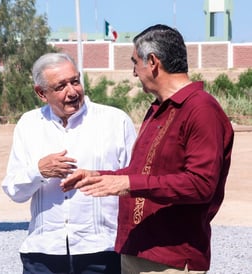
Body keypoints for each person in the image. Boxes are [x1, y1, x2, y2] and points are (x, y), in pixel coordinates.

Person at [61, 24, 234, 273]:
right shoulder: (157, 109)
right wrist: (99, 177)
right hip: (138, 250)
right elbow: (141, 173)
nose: (134, 73)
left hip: (171, 258)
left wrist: (128, 185)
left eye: (135, 63)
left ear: (152, 62)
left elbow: (201, 184)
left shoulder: (201, 109)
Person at [2, 52, 137, 274]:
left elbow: (135, 182)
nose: (72, 91)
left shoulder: (115, 121)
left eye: (75, 81)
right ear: (41, 93)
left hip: (101, 250)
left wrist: (100, 179)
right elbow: (14, 191)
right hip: (44, 254)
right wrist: (39, 171)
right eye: (61, 86)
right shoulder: (29, 125)